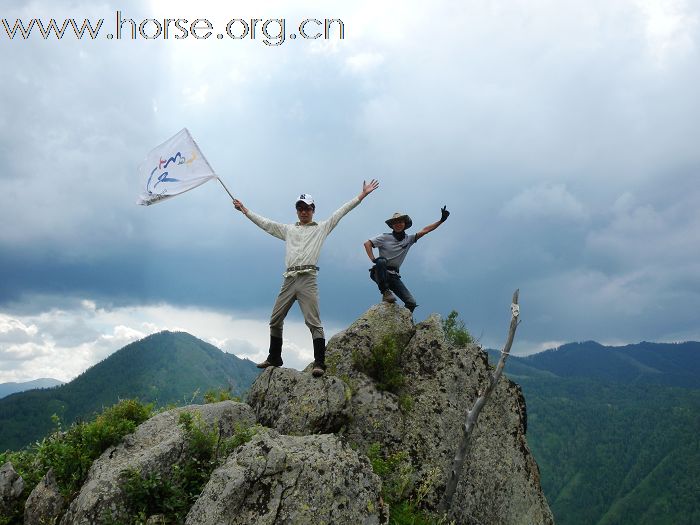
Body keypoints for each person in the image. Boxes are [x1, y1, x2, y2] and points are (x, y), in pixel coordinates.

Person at [232, 179, 379, 377]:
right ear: (297, 210)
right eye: (300, 208)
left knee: (313, 322)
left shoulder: (321, 228)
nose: (303, 212)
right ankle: (274, 357)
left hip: (308, 278)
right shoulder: (289, 230)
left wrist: (362, 195)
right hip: (289, 278)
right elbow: (266, 224)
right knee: (275, 319)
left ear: (313, 210)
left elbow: (341, 212)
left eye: (307, 208)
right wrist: (245, 210)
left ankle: (319, 363)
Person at [363, 206, 449, 312]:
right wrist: (373, 259)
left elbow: (425, 230)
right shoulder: (385, 237)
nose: (398, 224)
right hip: (381, 272)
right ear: (392, 225)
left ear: (405, 224)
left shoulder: (409, 239)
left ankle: (405, 322)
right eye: (395, 222)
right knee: (381, 261)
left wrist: (441, 220)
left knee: (411, 303)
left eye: (400, 222)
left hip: (394, 276)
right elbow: (367, 243)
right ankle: (385, 292)